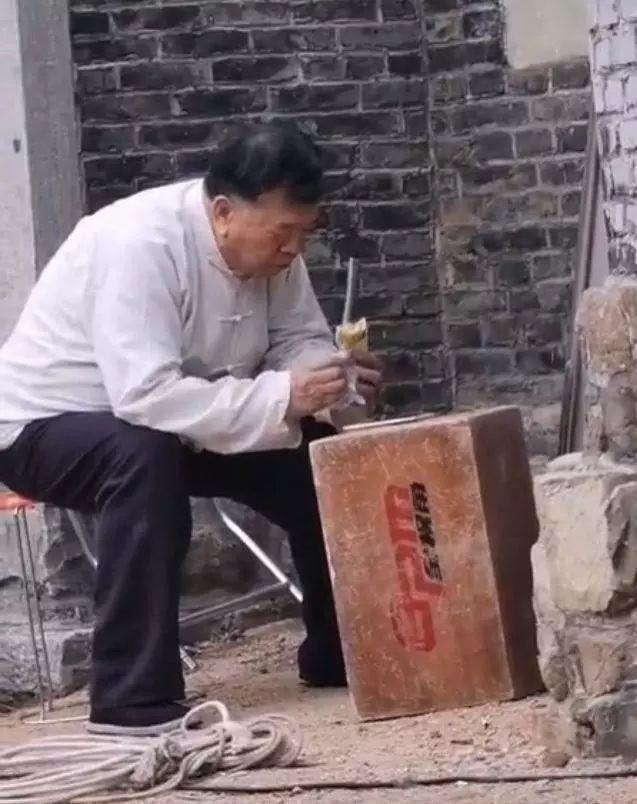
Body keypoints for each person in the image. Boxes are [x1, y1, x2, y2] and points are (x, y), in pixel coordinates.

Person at [0, 122, 382, 736]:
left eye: (304, 234)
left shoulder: (276, 252)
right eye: (282, 234)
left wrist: (329, 379)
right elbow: (143, 394)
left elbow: (296, 339)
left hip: (186, 417)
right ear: (224, 213)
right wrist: (283, 394)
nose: (293, 251)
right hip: (47, 423)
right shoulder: (137, 242)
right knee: (141, 458)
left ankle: (342, 651)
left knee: (318, 454)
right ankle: (131, 700)